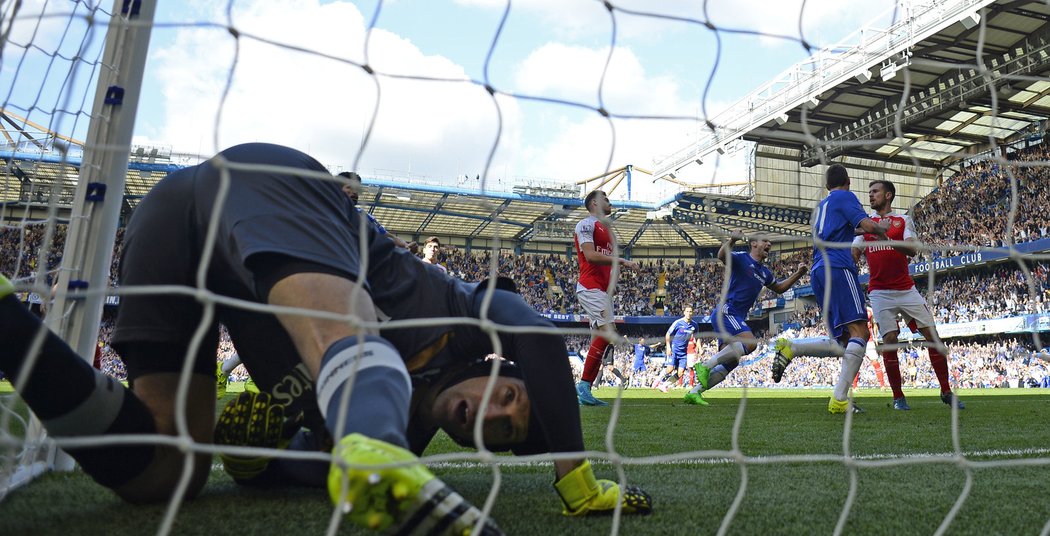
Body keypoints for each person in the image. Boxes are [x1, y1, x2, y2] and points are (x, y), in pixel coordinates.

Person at [0, 143, 649, 535]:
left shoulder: (401, 440)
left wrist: (258, 462)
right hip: (263, 186)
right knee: (352, 328)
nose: (497, 411)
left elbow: (311, 467)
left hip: (169, 237)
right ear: (495, 364)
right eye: (511, 395)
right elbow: (533, 331)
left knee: (164, 473)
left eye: (501, 429)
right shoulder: (460, 316)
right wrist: (574, 475)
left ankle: (6, 323)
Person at [770, 163, 889, 414]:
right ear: (848, 181)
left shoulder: (821, 207)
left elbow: (845, 229)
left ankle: (793, 348)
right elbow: (868, 226)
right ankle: (839, 399)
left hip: (818, 271)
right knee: (860, 332)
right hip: (838, 267)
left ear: (826, 185)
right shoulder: (845, 197)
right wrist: (883, 229)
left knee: (843, 341)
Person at [852, 179, 964, 410]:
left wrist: (886, 238)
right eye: (869, 192)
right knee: (890, 342)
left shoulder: (902, 220)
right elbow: (854, 253)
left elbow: (913, 249)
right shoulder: (866, 225)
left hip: (906, 289)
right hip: (880, 292)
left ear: (889, 195)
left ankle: (945, 391)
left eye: (875, 192)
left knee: (933, 337)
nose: (871, 196)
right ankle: (898, 397)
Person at [684, 232, 807, 406]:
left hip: (734, 315)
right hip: (727, 310)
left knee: (731, 362)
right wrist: (733, 240)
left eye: (770, 241)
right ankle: (705, 366)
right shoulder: (742, 259)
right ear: (754, 244)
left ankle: (694, 393)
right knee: (751, 343)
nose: (769, 244)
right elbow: (721, 256)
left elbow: (779, 288)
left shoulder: (764, 272)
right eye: (765, 241)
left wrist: (799, 274)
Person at [572, 190, 639, 406]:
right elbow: (590, 256)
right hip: (590, 287)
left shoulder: (606, 230)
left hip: (601, 290)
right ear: (594, 203)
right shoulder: (586, 224)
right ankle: (583, 385)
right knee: (608, 332)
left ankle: (585, 390)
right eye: (606, 199)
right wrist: (623, 261)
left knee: (598, 339)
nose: (610, 202)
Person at [337, 171, 415, 251]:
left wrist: (403, 244)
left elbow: (383, 233)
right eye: (349, 187)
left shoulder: (362, 215)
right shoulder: (328, 212)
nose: (354, 192)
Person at [655, 306, 698, 392]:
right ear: (684, 312)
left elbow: (697, 337)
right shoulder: (678, 323)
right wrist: (668, 347)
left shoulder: (694, 325)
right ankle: (658, 380)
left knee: (680, 373)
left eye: (690, 311)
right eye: (687, 311)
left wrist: (698, 349)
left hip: (684, 353)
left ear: (692, 313)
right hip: (674, 350)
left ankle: (664, 385)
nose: (689, 313)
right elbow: (668, 334)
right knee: (670, 369)